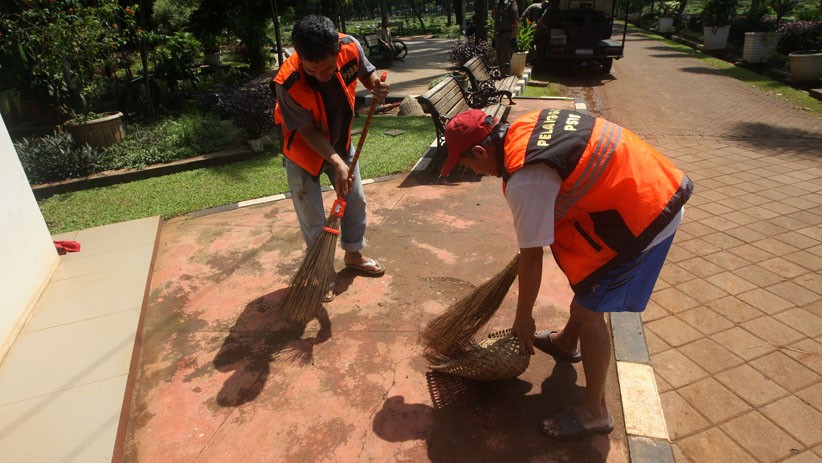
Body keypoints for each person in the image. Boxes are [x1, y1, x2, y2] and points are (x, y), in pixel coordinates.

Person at [441, 108, 692, 440]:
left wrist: (523, 320)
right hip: (650, 183)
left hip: (646, 213)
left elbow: (532, 258)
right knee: (587, 278)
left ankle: (595, 412)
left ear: (480, 151)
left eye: (468, 165)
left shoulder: (526, 177)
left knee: (590, 311)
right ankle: (566, 342)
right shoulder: (524, 127)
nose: (474, 172)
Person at [271, 15, 390, 302]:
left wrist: (376, 85)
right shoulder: (288, 82)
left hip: (341, 139)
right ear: (300, 58)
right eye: (313, 69)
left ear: (337, 49)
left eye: (327, 67)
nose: (322, 74)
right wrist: (336, 161)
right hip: (302, 150)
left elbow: (367, 73)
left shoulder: (350, 46)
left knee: (355, 199)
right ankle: (322, 270)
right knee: (310, 213)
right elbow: (307, 132)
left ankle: (353, 254)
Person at [493, 0, 519, 74]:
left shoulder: (510, 4)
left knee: (505, 61)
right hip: (498, 35)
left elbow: (516, 22)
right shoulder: (497, 4)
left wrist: (514, 38)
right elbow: (496, 22)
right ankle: (502, 79)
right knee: (499, 60)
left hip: (506, 35)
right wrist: (494, 37)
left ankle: (506, 80)